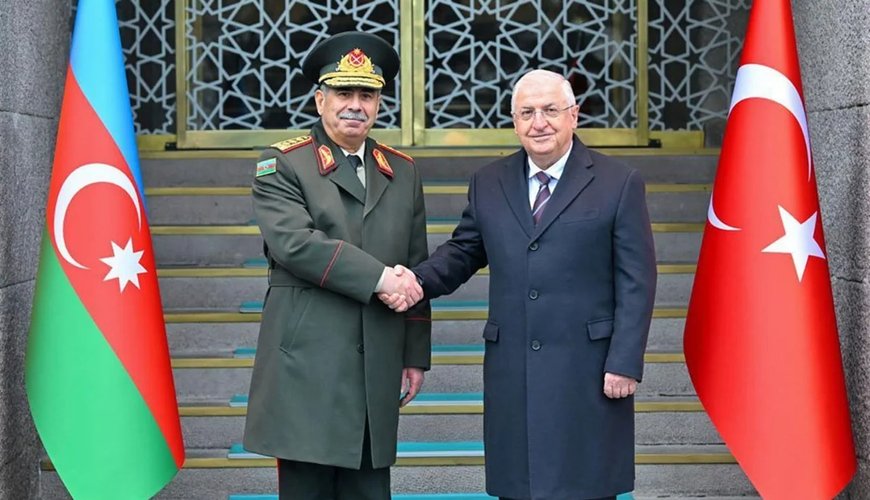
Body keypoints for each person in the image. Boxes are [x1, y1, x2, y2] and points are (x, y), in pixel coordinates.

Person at [382, 69, 657, 499]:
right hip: (513, 365)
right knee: (518, 485)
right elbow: (463, 252)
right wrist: (414, 280)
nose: (538, 123)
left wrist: (624, 360)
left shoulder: (618, 182)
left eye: (550, 110)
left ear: (573, 116)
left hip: (588, 368)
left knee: (587, 485)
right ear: (514, 122)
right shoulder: (489, 181)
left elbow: (637, 279)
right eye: (527, 113)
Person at [243, 31, 431, 500]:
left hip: (377, 362)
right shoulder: (282, 164)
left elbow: (415, 263)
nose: (355, 106)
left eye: (367, 95)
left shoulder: (402, 170)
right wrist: (380, 278)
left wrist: (414, 355)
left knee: (370, 491)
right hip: (307, 363)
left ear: (379, 103)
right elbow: (296, 244)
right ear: (319, 99)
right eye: (344, 93)